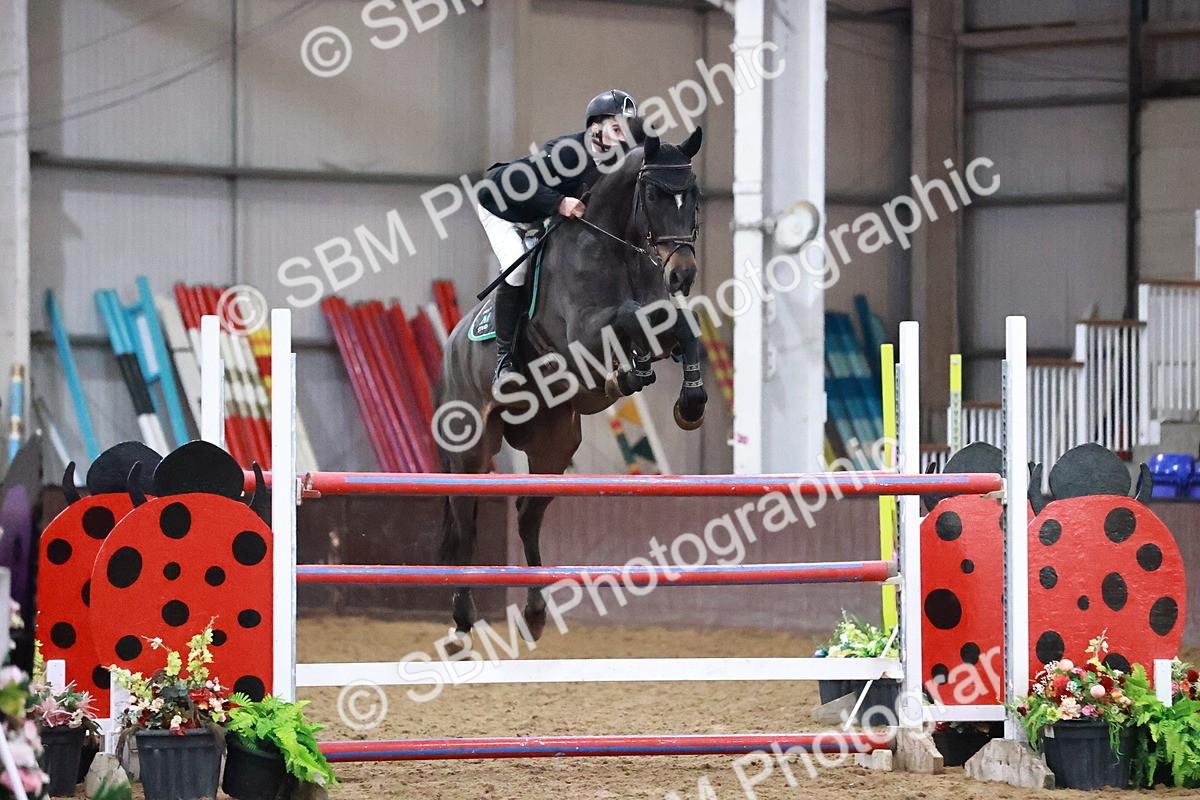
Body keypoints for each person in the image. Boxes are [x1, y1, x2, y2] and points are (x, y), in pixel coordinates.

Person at [476, 89, 638, 400]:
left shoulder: (610, 163)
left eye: (626, 132)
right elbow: (514, 181)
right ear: (595, 127)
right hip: (502, 206)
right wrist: (559, 201)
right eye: (616, 130)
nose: (622, 139)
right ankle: (504, 362)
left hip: (538, 214)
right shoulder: (567, 152)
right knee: (519, 267)